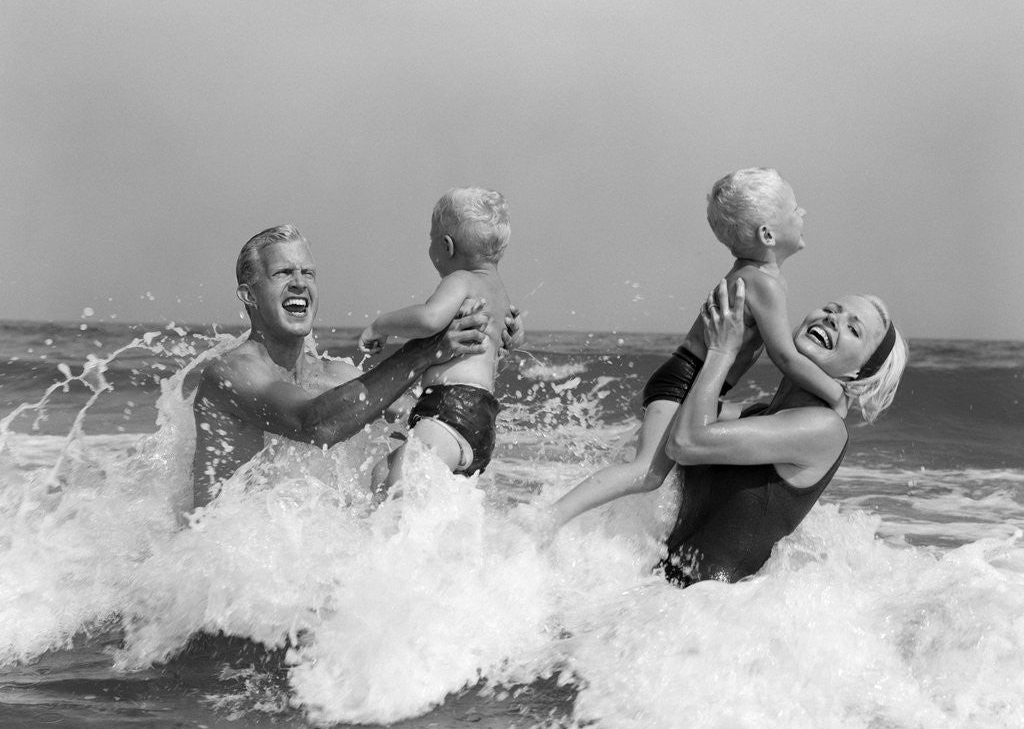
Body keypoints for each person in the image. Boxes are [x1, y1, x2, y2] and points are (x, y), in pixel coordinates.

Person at [549, 168, 846, 529]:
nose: (803, 214)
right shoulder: (763, 284)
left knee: (652, 471)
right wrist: (835, 391)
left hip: (684, 379)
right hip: (684, 381)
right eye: (795, 209)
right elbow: (784, 355)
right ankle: (550, 517)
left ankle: (603, 531)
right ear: (768, 234)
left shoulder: (750, 276)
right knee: (647, 473)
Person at [191, 224, 522, 511]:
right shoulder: (231, 372)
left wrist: (487, 344)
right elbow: (314, 425)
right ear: (249, 295)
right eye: (282, 273)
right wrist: (423, 351)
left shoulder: (338, 377)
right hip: (223, 568)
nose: (299, 283)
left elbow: (433, 422)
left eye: (308, 273)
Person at [656, 277, 907, 586]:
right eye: (831, 309)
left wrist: (722, 352)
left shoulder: (825, 429)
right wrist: (722, 348)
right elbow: (656, 410)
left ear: (858, 374)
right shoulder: (757, 415)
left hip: (707, 612)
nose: (833, 319)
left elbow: (686, 443)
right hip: (661, 598)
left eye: (854, 329)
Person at [358, 187, 515, 493]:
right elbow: (505, 344)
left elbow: (430, 319)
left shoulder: (461, 280)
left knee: (402, 491)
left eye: (431, 238)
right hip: (478, 425)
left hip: (449, 412)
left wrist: (381, 325)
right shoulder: (500, 294)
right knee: (383, 475)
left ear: (446, 245)